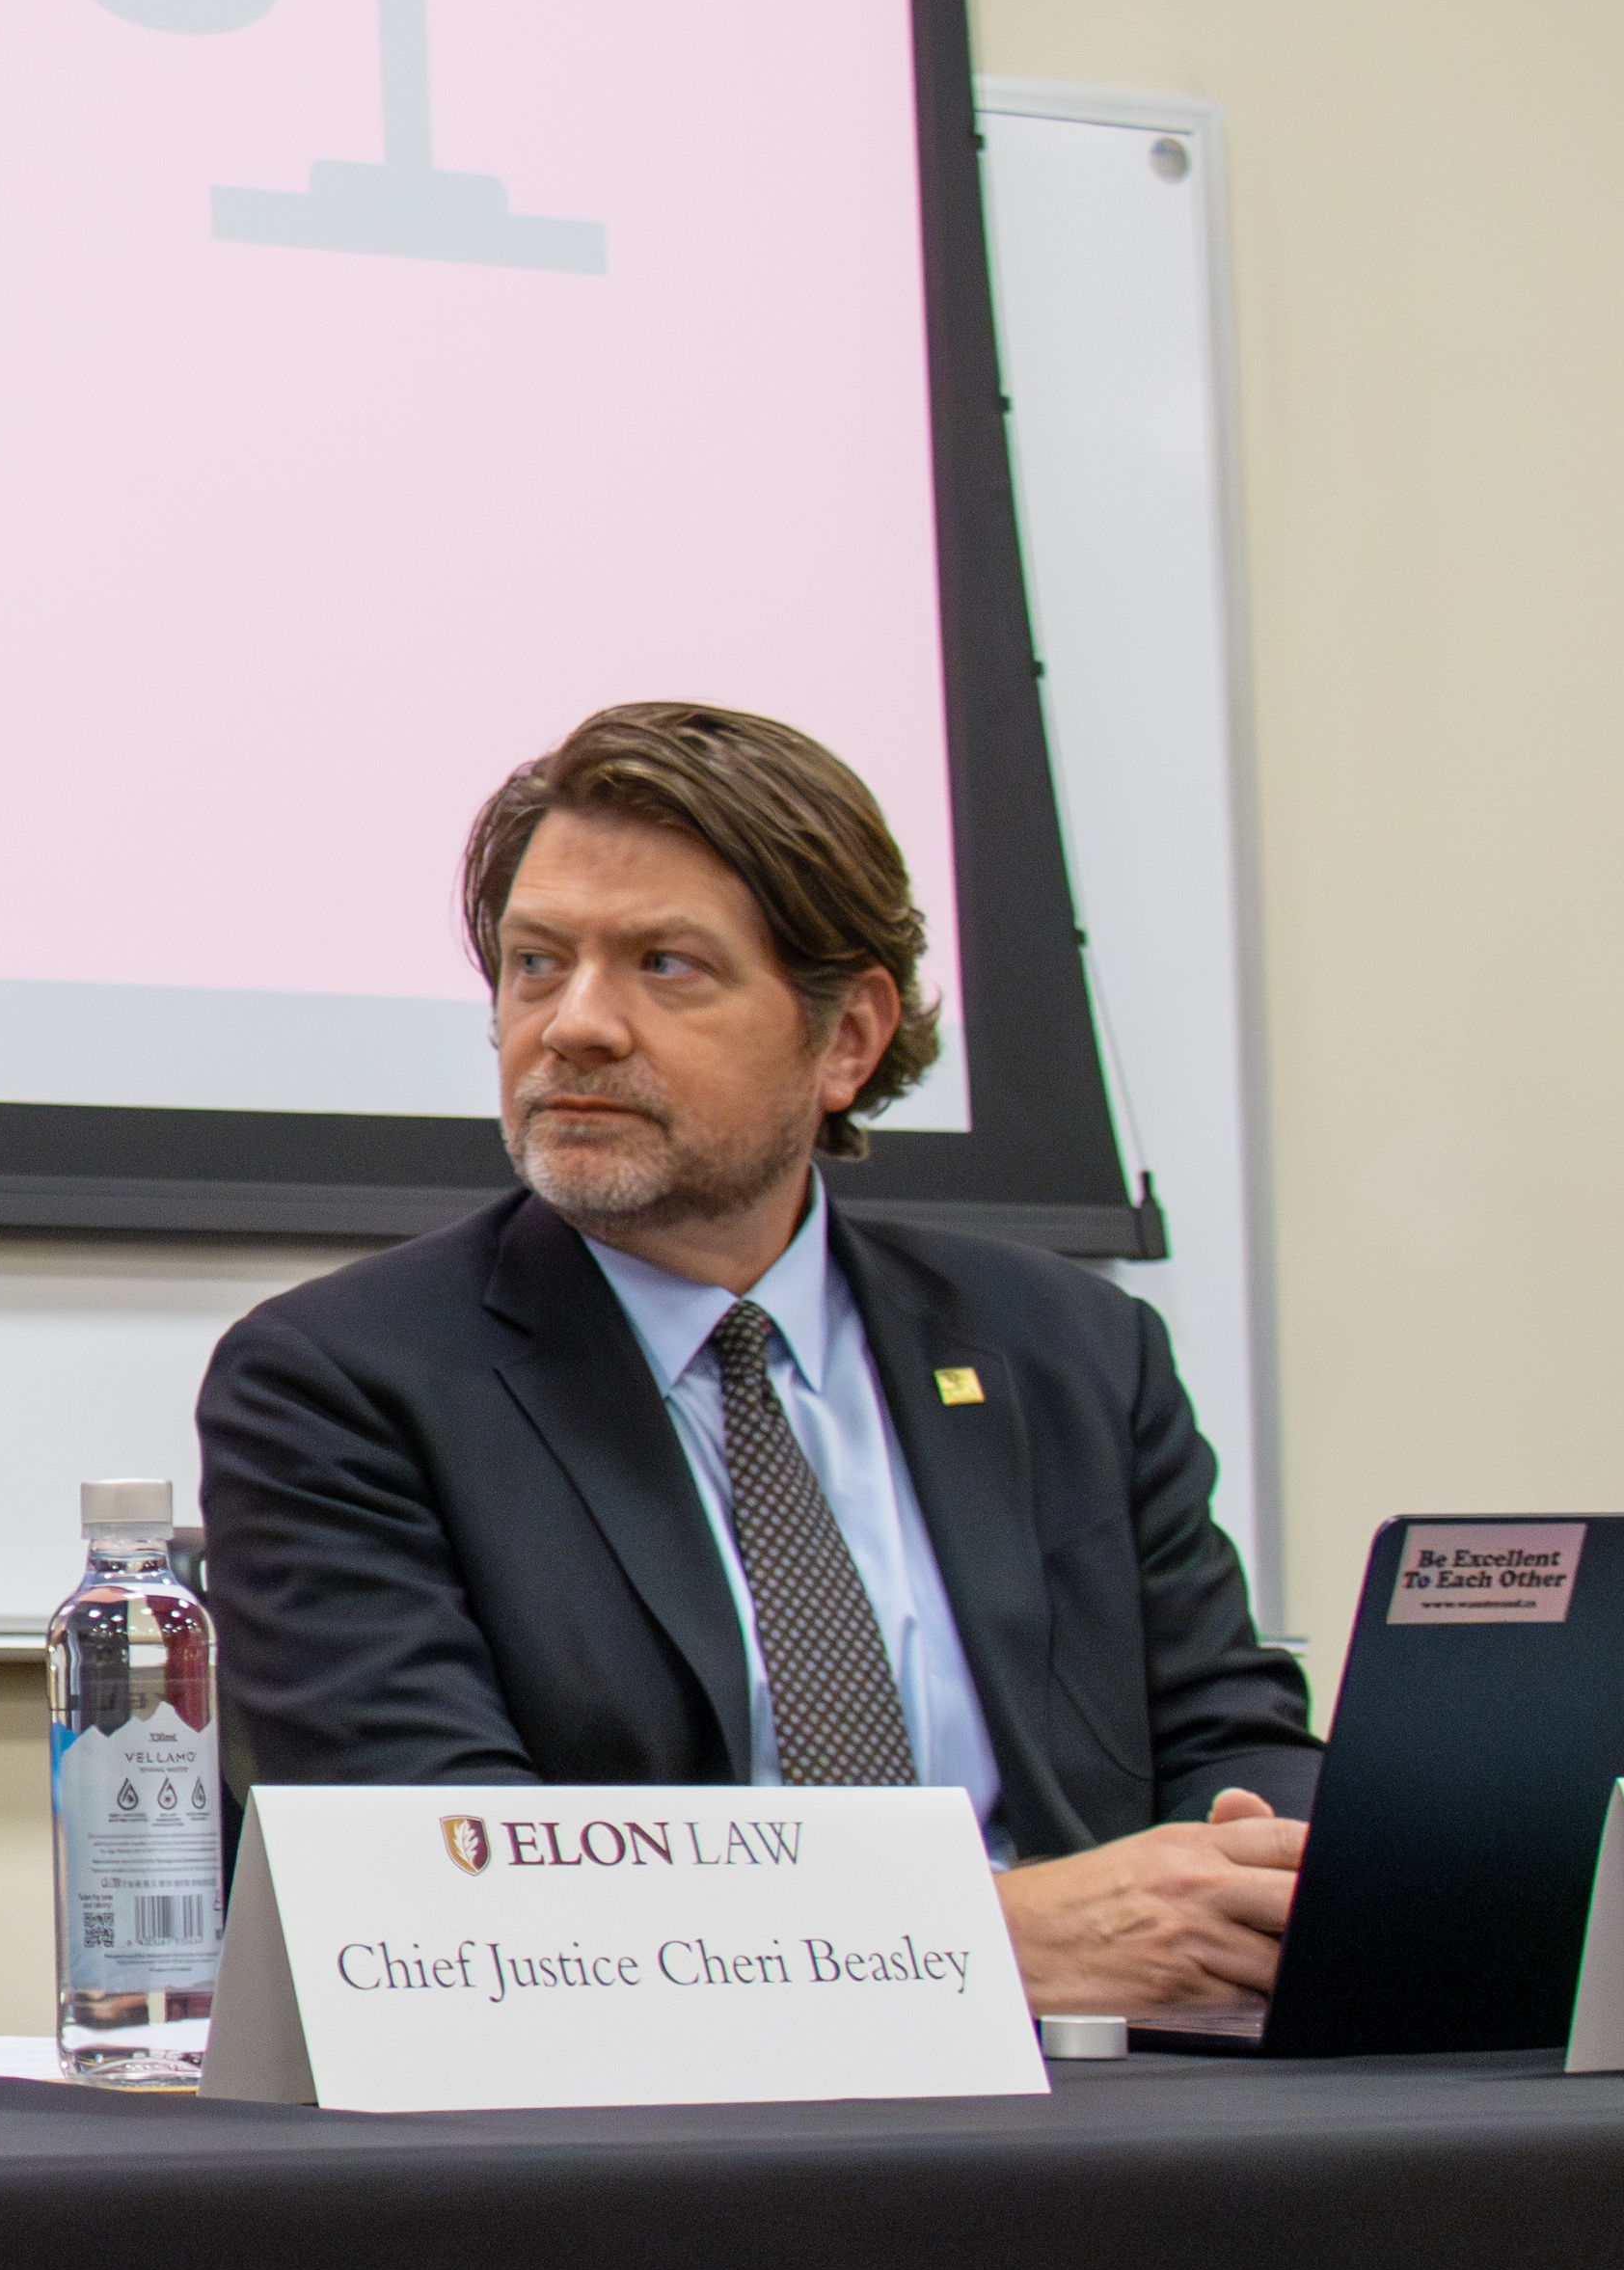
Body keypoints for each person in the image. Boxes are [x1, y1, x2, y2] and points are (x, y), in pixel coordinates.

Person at [194, 700, 1319, 2020]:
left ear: (847, 1038)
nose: (575, 1025)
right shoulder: (338, 1387)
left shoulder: (1067, 1348)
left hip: (1108, 2098)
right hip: (639, 2115)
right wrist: (984, 1943)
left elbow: (1230, 1744)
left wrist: (1285, 1874)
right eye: (537, 963)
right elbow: (446, 1893)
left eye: (664, 964)